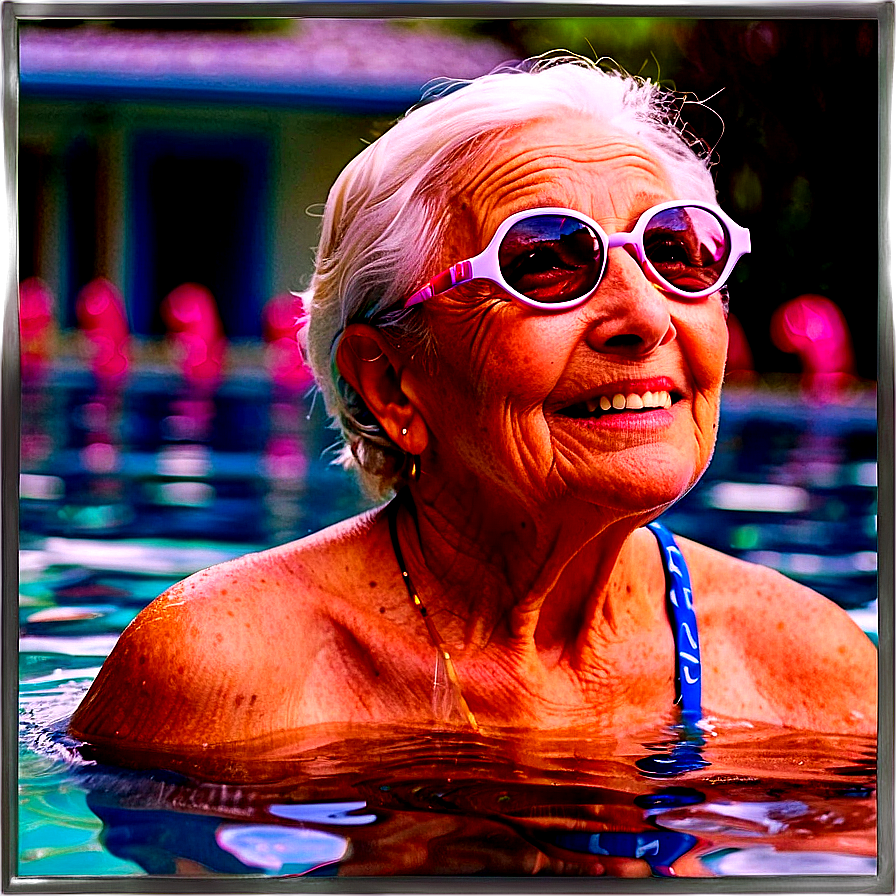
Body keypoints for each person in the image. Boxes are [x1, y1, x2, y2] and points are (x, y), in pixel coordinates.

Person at [69, 55, 876, 763]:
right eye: (546, 262)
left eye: (673, 251)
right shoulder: (229, 674)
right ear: (392, 383)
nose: (647, 317)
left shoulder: (807, 668)